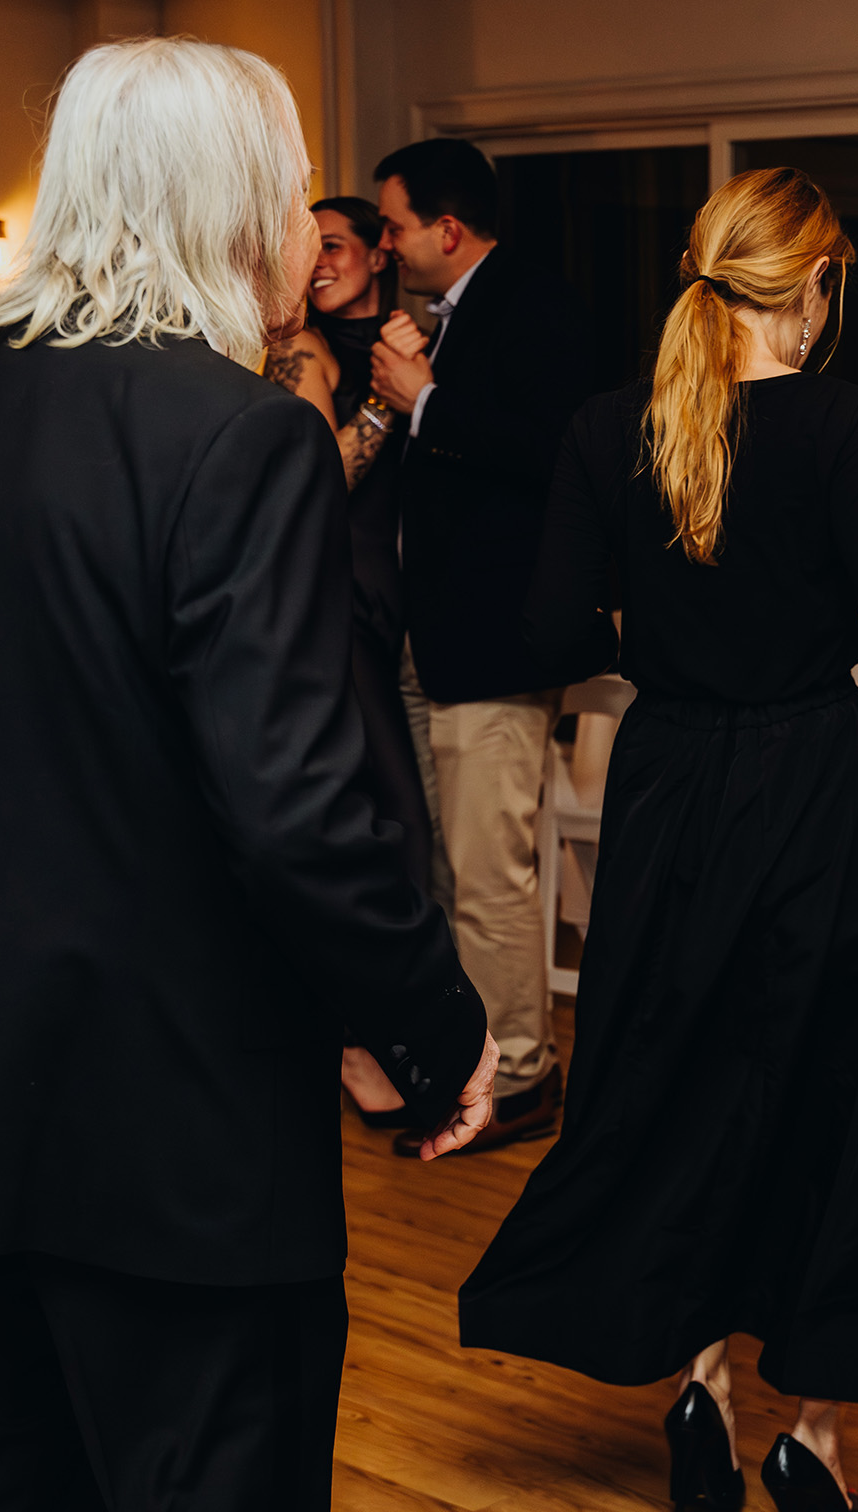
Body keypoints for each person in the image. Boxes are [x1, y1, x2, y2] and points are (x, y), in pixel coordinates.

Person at [0, 39, 496, 1512]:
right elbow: (297, 811)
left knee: (11, 1496)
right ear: (231, 204)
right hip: (187, 1136)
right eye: (285, 197)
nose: (302, 238)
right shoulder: (244, 432)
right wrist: (438, 1029)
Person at [460, 167, 858, 1512]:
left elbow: (550, 627)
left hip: (668, 784)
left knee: (673, 1072)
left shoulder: (607, 425)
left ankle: (698, 1394)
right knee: (836, 1095)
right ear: (811, 285)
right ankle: (810, 1437)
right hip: (809, 785)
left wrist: (665, 637)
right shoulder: (834, 419)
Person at [368, 136, 589, 1156]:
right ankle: (476, 1063)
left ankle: (526, 1075)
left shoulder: (533, 306)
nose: (386, 245)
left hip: (496, 645)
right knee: (456, 870)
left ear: (446, 229)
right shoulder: (446, 318)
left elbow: (556, 455)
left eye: (394, 227)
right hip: (439, 640)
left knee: (492, 871)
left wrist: (425, 403)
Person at [263, 195, 438, 1129]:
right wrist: (386, 399)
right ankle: (356, 1040)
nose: (321, 261)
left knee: (417, 832)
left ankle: (392, 1032)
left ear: (379, 254)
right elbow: (317, 480)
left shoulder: (416, 338)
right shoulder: (302, 347)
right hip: (339, 610)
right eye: (313, 247)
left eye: (336, 245)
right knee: (389, 824)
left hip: (411, 615)